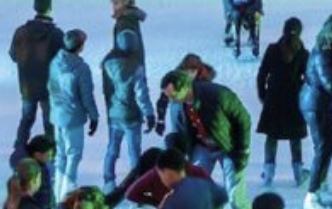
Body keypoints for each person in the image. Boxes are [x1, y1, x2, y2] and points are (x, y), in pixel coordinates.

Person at [161, 71, 251, 209]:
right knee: (194, 186)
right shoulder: (178, 106)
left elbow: (243, 119)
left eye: (173, 96)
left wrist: (243, 150)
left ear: (185, 88)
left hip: (229, 146)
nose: (171, 100)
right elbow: (181, 131)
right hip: (202, 145)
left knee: (235, 194)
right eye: (167, 97)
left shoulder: (218, 95)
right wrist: (175, 143)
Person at [300, 14, 332, 209]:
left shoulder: (331, 50)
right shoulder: (321, 54)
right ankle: (311, 196)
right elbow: (330, 85)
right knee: (323, 147)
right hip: (315, 105)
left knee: (329, 145)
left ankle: (319, 188)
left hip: (322, 104)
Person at [256, 18, 310, 189]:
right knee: (295, 137)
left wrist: (263, 95)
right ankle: (298, 173)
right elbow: (308, 79)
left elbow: (262, 74)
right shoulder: (303, 53)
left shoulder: (272, 49)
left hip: (274, 98)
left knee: (272, 136)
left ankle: (268, 173)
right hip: (294, 99)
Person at [48, 29, 100, 202]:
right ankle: (66, 197)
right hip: (73, 118)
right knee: (74, 156)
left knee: (61, 156)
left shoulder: (55, 62)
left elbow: (51, 87)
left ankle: (57, 195)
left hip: (57, 115)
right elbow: (87, 96)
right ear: (80, 46)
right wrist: (94, 116)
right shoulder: (81, 68)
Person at [101, 29, 155, 192]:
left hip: (114, 113)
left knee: (112, 149)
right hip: (131, 116)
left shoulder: (108, 64)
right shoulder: (136, 66)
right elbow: (141, 94)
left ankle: (108, 181)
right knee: (134, 152)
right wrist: (149, 113)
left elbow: (107, 89)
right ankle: (136, 185)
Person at [10, 0, 66, 152]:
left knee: (26, 118)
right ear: (49, 7)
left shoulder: (20, 32)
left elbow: (13, 55)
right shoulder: (56, 35)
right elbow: (62, 62)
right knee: (49, 121)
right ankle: (50, 152)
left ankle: (19, 148)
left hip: (27, 85)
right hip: (49, 86)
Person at [153, 148, 229, 209]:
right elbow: (223, 196)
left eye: (160, 175)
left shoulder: (173, 201)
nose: (161, 180)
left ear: (167, 172)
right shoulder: (202, 183)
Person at [8, 137, 56, 209]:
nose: (50, 158)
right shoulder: (36, 170)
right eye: (48, 155)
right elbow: (44, 195)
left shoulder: (14, 200)